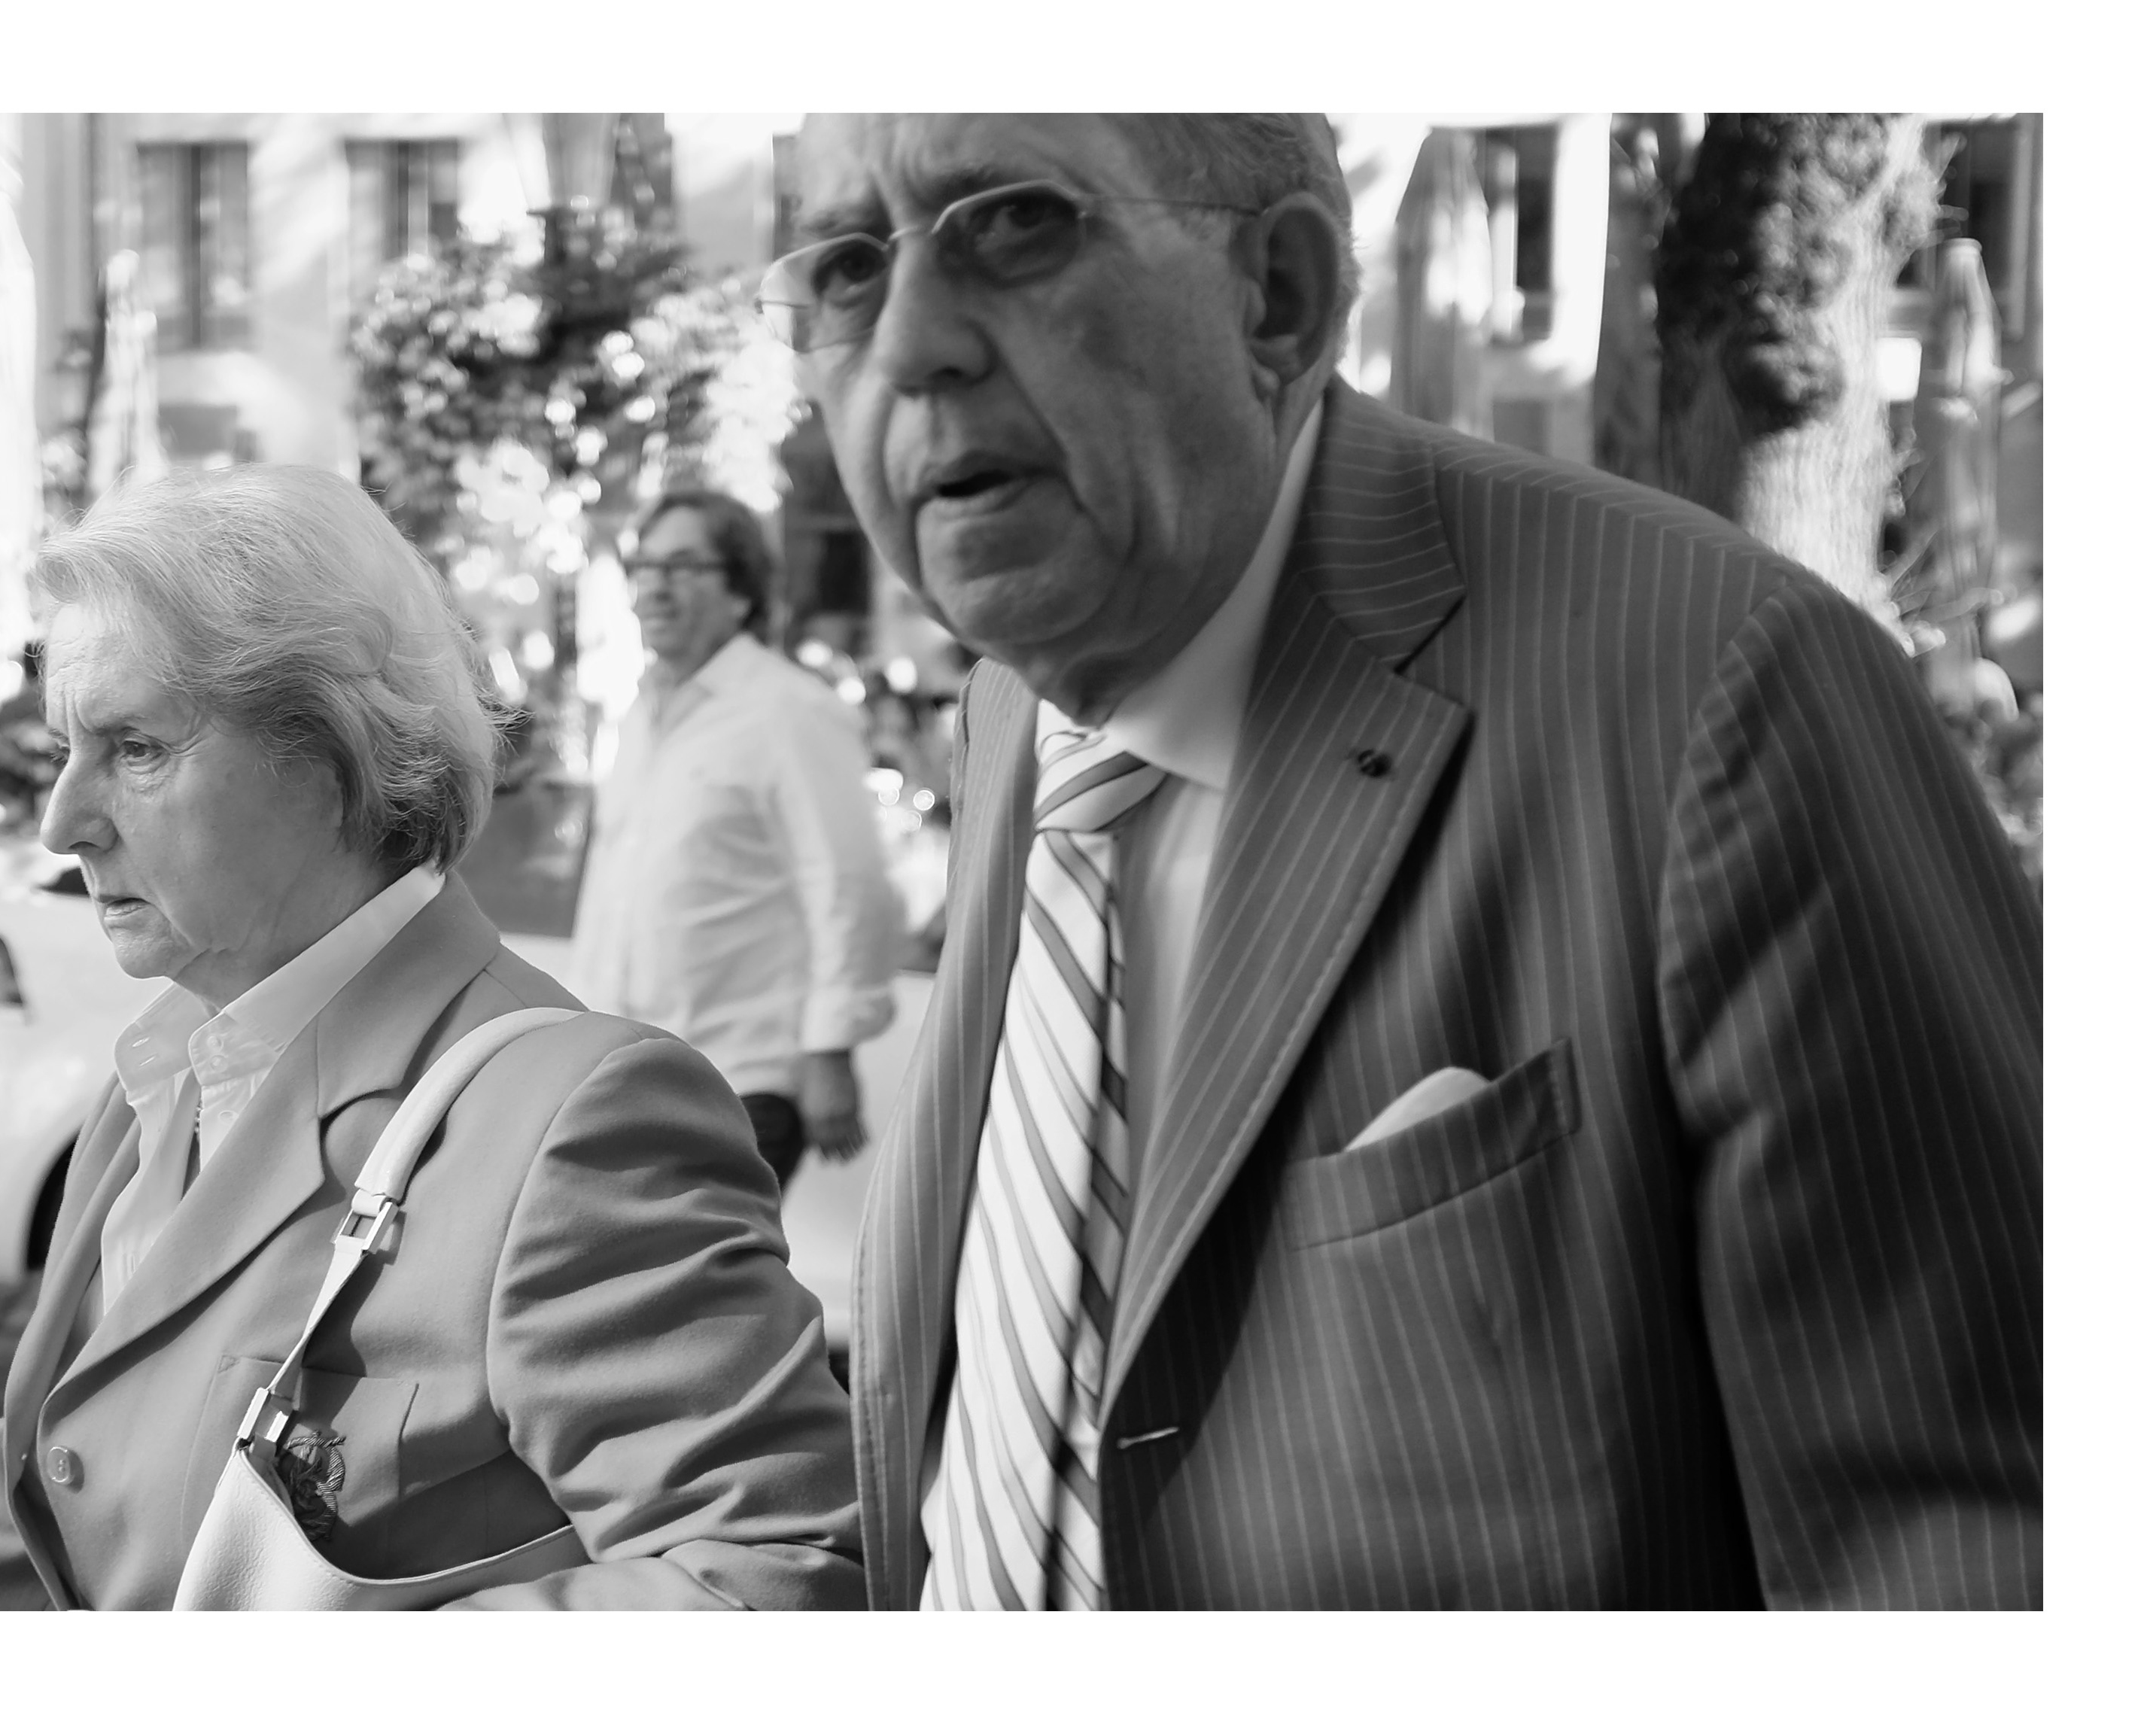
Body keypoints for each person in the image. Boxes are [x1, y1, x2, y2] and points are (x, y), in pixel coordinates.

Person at [777, 113, 2041, 1609]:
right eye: (847, 267)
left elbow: (1954, 1558)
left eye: (1013, 223)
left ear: (1281, 296)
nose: (911, 342)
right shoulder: (1017, 698)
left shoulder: (1722, 686)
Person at [0, 465, 863, 1610]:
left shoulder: (577, 1128)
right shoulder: (160, 1073)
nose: (61, 820)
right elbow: (30, 1507)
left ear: (332, 757)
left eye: (135, 748)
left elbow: (780, 1570)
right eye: (64, 748)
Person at [572, 489, 902, 1193]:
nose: (657, 585)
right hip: (625, 1071)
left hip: (742, 1079)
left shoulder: (790, 709)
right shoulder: (640, 711)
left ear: (742, 591)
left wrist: (831, 1051)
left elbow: (849, 884)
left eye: (684, 565)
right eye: (646, 566)